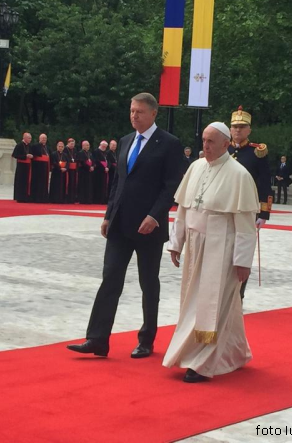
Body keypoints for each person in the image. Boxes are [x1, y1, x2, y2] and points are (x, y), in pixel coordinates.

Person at [67, 92, 183, 358]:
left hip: (148, 227)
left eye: (139, 112)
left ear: (153, 113)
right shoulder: (125, 141)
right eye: (132, 111)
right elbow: (118, 183)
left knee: (148, 283)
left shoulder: (169, 143)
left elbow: (171, 186)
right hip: (120, 224)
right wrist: (108, 215)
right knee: (110, 278)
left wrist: (155, 216)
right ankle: (97, 338)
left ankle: (146, 339)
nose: (134, 116)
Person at [163, 122, 259, 383]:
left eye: (211, 142)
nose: (205, 146)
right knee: (197, 302)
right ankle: (235, 353)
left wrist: (242, 261)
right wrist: (176, 242)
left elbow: (245, 226)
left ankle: (202, 363)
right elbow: (183, 210)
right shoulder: (194, 167)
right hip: (195, 246)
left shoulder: (239, 175)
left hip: (221, 248)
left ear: (226, 144)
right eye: (203, 140)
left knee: (214, 305)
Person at [228, 106, 271, 301]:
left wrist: (264, 213)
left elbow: (264, 182)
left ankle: (239, 294)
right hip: (224, 206)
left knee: (243, 250)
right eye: (235, 126)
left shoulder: (257, 152)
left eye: (242, 127)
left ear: (249, 130)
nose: (238, 130)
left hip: (247, 208)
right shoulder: (223, 149)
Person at [12, 132, 33, 202]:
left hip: (28, 167)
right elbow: (15, 155)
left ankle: (26, 197)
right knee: (20, 182)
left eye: (30, 138)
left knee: (27, 182)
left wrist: (32, 156)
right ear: (24, 138)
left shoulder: (30, 146)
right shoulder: (19, 145)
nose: (30, 140)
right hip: (21, 167)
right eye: (29, 138)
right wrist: (25, 156)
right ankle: (20, 197)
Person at [30, 133, 50, 203]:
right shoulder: (35, 146)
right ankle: (36, 198)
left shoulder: (47, 147)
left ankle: (43, 198)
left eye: (45, 139)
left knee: (44, 183)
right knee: (37, 183)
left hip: (45, 168)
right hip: (37, 168)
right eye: (43, 138)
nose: (44, 140)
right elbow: (33, 156)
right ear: (39, 139)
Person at [64, 138, 78, 203]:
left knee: (73, 183)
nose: (72, 145)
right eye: (71, 144)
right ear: (68, 143)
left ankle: (72, 198)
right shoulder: (65, 149)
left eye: (73, 144)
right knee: (68, 183)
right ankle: (67, 198)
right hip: (68, 169)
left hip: (74, 169)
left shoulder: (74, 150)